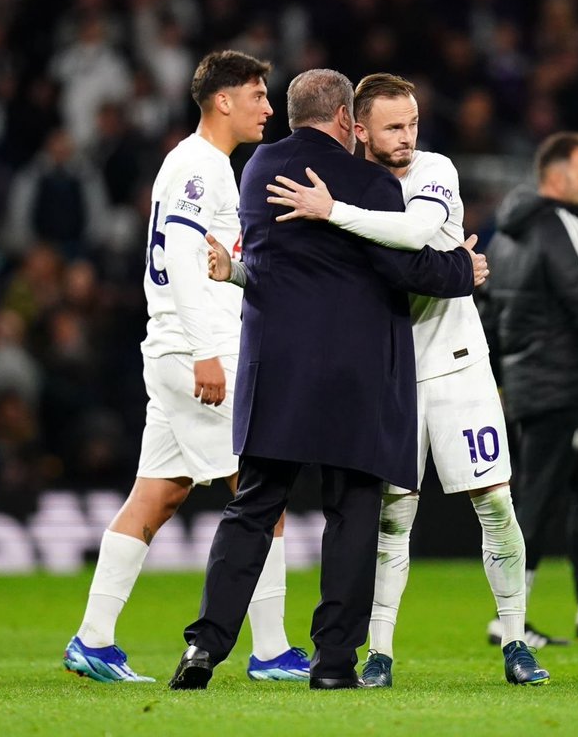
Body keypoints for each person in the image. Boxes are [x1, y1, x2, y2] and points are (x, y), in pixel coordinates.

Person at [227, 72, 548, 686]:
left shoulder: (431, 172)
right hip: (393, 368)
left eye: (413, 124)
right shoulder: (348, 178)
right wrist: (241, 271)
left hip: (456, 360)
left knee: (495, 502)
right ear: (358, 127)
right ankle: (379, 652)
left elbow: (416, 233)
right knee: (391, 515)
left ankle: (515, 638)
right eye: (393, 127)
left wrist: (332, 212)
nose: (406, 138)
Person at [167, 69, 481, 690]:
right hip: (356, 374)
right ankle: (334, 664)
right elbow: (406, 268)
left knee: (253, 508)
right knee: (352, 514)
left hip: (276, 369)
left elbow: (264, 261)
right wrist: (462, 268)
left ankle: (204, 649)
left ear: (290, 114)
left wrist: (235, 273)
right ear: (346, 120)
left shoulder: (256, 171)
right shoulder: (372, 183)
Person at [61, 50, 312, 684]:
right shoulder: (199, 167)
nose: (267, 106)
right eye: (257, 94)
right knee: (263, 491)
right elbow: (177, 254)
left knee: (159, 493)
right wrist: (205, 350)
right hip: (196, 349)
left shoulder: (207, 165)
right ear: (222, 100)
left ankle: (92, 640)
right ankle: (272, 650)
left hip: (179, 348)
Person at [481, 132, 578, 643]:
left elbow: (489, 308)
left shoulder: (505, 231)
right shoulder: (561, 223)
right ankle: (507, 621)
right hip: (556, 383)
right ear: (556, 181)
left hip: (524, 381)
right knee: (534, 499)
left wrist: (497, 377)